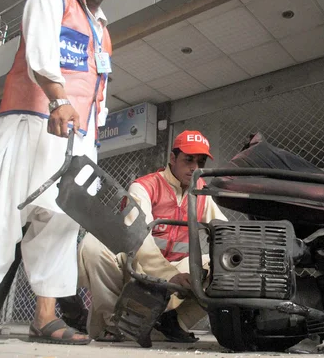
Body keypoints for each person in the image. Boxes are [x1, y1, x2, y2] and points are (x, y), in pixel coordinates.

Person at [0, 0, 124, 346]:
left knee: (62, 221)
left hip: (79, 136)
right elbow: (40, 51)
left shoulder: (103, 32)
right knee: (3, 209)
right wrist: (58, 99)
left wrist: (91, 140)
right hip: (33, 117)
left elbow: (100, 90)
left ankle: (44, 318)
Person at [77, 130, 227, 342]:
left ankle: (173, 322)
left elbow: (225, 231)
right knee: (93, 245)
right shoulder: (144, 187)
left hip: (173, 274)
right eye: (188, 160)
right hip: (135, 269)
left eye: (200, 161)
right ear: (173, 159)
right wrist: (167, 274)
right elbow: (138, 239)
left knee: (223, 264)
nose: (195, 167)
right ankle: (113, 324)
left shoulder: (201, 192)